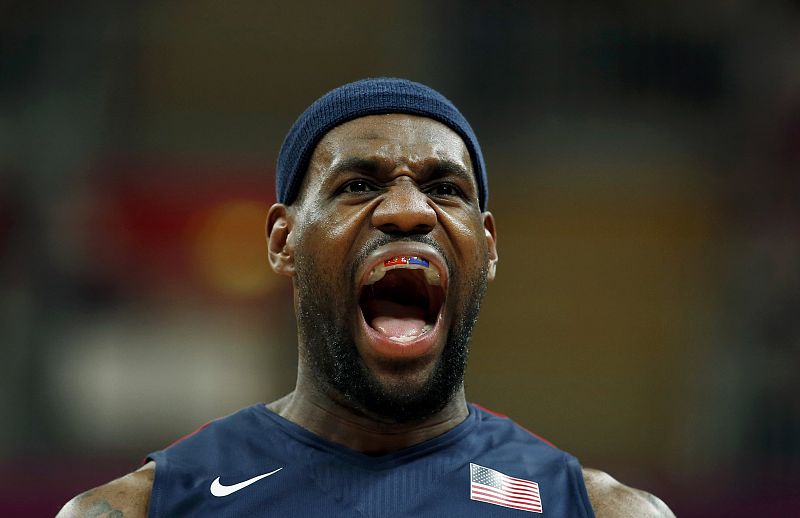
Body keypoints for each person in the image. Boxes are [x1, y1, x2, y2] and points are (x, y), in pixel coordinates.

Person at [58, 78, 674, 517]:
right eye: (357, 185)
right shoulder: (144, 508)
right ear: (283, 240)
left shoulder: (598, 511)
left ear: (487, 248)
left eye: (445, 188)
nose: (408, 210)